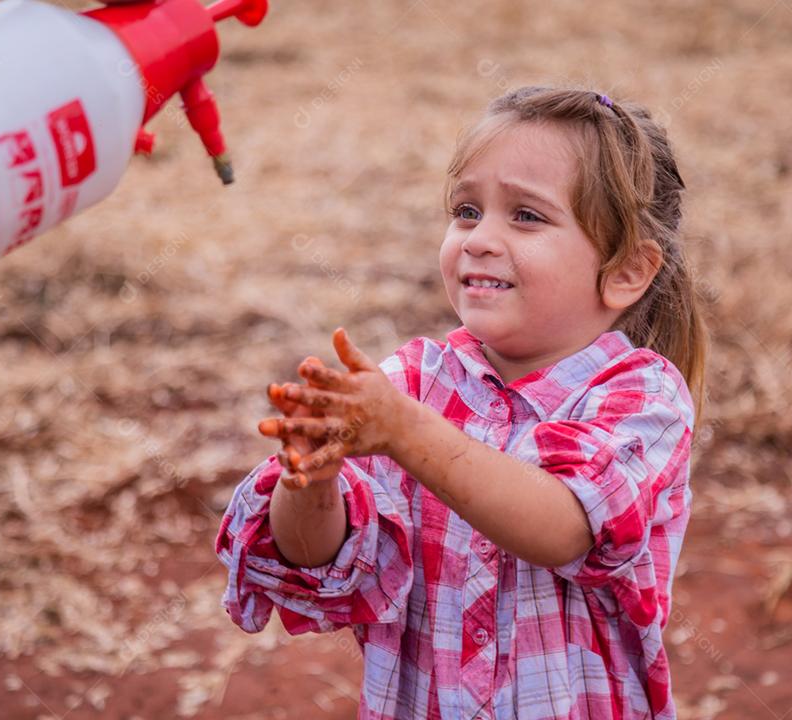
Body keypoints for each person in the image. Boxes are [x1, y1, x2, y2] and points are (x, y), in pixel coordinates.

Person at [216, 85, 707, 719]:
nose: (479, 239)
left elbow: (565, 528)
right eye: (467, 211)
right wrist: (311, 478)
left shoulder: (641, 396)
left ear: (626, 271)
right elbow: (318, 562)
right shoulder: (412, 382)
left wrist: (407, 433)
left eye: (526, 216)